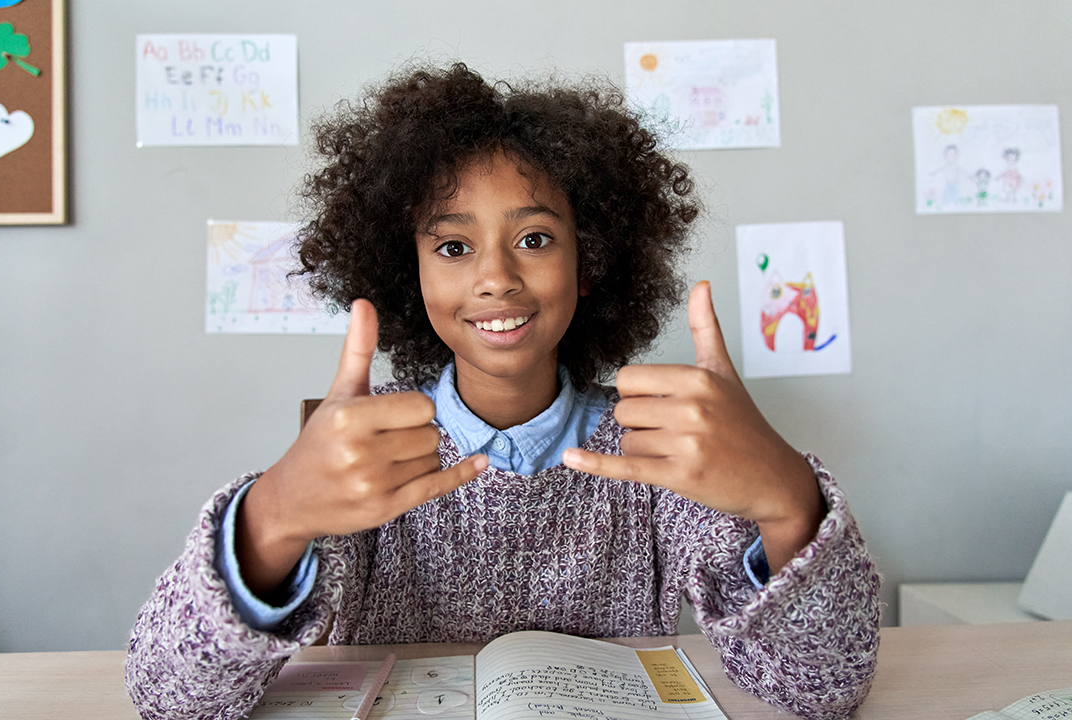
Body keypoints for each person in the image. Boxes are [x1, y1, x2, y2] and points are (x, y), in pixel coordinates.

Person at [126, 63, 880, 720]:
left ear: (590, 267)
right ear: (408, 274)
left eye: (535, 239)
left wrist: (789, 497)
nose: (496, 277)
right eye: (453, 247)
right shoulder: (366, 448)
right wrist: (272, 516)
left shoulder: (654, 450)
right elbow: (171, 698)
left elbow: (820, 691)